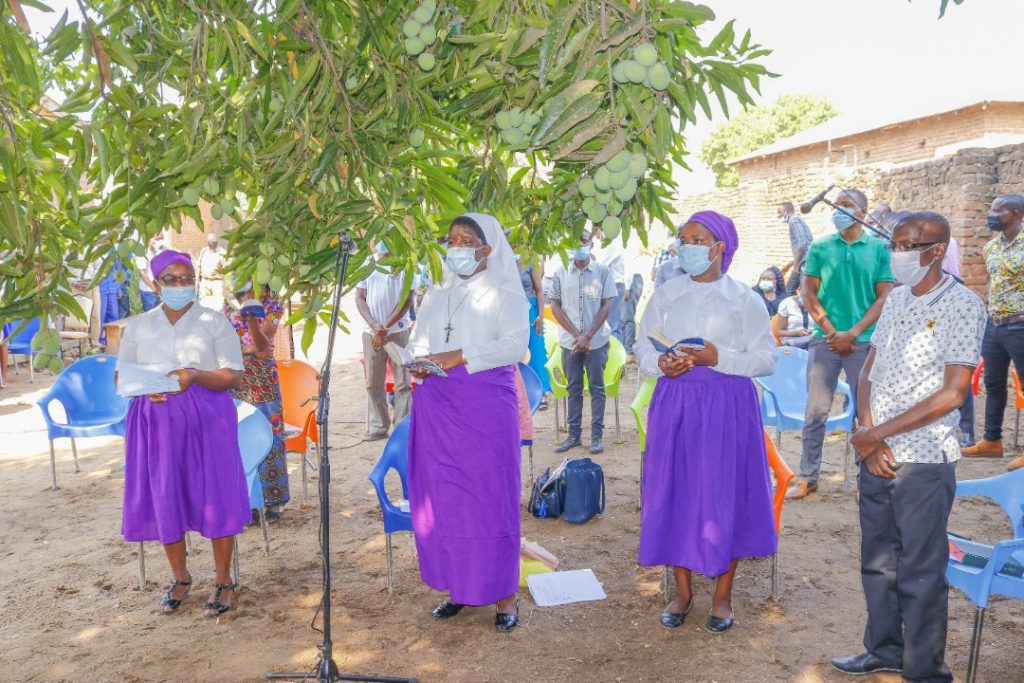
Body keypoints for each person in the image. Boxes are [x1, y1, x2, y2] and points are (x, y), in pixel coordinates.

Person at [832, 212, 985, 682]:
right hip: (875, 453)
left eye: (909, 244)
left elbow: (952, 393)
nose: (897, 253)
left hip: (923, 460)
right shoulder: (896, 300)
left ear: (937, 250)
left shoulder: (964, 305)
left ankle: (924, 671)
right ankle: (883, 650)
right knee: (877, 563)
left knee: (920, 570)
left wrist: (876, 435)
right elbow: (869, 370)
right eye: (895, 244)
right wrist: (867, 433)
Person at [634, 210, 777, 634]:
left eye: (698, 239)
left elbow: (767, 358)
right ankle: (682, 592)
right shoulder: (665, 294)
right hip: (675, 400)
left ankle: (722, 596)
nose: (687, 246)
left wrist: (722, 359)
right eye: (684, 238)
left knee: (721, 494)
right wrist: (660, 363)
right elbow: (641, 344)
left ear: (719, 248)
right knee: (676, 491)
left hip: (726, 404)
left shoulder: (744, 298)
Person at [405, 213, 529, 632]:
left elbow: (516, 345)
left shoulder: (507, 292)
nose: (455, 247)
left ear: (486, 249)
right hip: (437, 402)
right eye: (451, 240)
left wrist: (459, 355)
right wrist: (417, 361)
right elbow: (419, 340)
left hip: (484, 405)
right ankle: (457, 587)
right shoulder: (437, 291)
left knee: (490, 497)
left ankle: (504, 595)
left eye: (465, 240)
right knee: (447, 500)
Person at [118, 249, 249, 618]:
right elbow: (121, 376)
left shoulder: (213, 321)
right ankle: (180, 577)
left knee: (215, 495)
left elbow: (232, 375)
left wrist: (194, 375)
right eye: (170, 279)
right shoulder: (139, 326)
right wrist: (145, 386)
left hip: (207, 417)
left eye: (185, 278)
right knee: (166, 495)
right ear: (156, 285)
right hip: (155, 419)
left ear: (194, 282)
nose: (179, 285)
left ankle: (223, 579)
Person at [788, 189, 895, 499]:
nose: (840, 210)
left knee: (867, 416)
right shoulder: (821, 246)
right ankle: (808, 476)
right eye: (838, 205)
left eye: (847, 205)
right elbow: (807, 292)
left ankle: (868, 479)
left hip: (865, 343)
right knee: (815, 413)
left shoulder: (878, 248)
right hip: (826, 342)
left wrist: (854, 332)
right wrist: (831, 330)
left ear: (863, 212)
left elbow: (884, 296)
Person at [961, 195, 1024, 471]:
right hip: (995, 323)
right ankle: (992, 441)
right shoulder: (990, 247)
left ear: (1017, 213)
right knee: (994, 383)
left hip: (1021, 323)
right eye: (991, 208)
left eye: (999, 210)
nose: (992, 214)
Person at [225, 280, 289, 521]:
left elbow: (262, 345)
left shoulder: (272, 305)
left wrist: (251, 318)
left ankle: (274, 501)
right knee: (243, 438)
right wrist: (247, 350)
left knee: (270, 436)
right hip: (237, 381)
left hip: (264, 381)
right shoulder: (228, 306)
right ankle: (248, 501)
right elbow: (228, 345)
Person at [550, 229, 617, 455]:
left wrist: (587, 336)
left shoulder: (603, 271)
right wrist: (577, 336)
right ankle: (573, 436)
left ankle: (596, 436)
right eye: (574, 241)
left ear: (591, 244)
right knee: (573, 388)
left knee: (597, 389)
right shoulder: (560, 272)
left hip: (596, 342)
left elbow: (607, 305)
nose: (579, 245)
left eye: (584, 240)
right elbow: (555, 306)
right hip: (570, 343)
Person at [356, 242, 413, 440]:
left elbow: (407, 300)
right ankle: (379, 426)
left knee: (402, 383)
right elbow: (360, 297)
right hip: (370, 333)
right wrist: (374, 325)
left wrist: (385, 326)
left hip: (397, 332)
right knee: (373, 382)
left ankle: (401, 428)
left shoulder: (405, 263)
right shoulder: (368, 263)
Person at [518, 253, 552, 405]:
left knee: (536, 350)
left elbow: (539, 290)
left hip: (531, 311)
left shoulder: (529, 260)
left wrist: (540, 316)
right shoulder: (501, 262)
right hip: (511, 311)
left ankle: (543, 391)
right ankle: (523, 391)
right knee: (518, 353)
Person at [592, 225, 626, 342]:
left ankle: (615, 357)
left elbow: (599, 265)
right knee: (611, 324)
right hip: (611, 286)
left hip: (614, 286)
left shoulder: (612, 242)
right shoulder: (608, 241)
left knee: (612, 326)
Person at [778, 202, 814, 295]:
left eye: (779, 212)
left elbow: (802, 244)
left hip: (804, 262)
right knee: (789, 291)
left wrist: (796, 266)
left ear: (786, 212)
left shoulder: (793, 221)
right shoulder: (795, 220)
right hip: (802, 261)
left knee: (804, 293)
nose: (778, 216)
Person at [197, 233, 227, 311]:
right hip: (204, 282)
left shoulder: (223, 253)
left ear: (216, 242)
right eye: (209, 243)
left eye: (212, 243)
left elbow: (227, 271)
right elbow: (198, 267)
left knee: (218, 307)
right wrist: (197, 282)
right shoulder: (204, 251)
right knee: (203, 305)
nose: (210, 245)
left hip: (217, 283)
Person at [621, 272, 644, 356]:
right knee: (622, 319)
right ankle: (625, 349)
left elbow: (628, 266)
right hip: (626, 282)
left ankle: (629, 350)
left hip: (629, 282)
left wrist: (627, 287)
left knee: (627, 318)